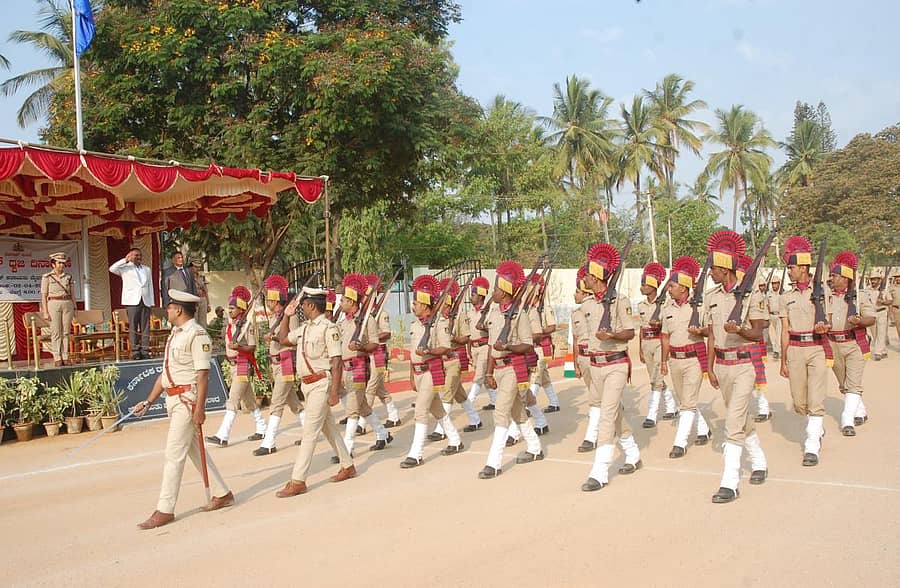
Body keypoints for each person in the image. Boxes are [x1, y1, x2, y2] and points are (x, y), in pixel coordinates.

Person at [132, 289, 233, 529]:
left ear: (178, 310)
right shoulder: (175, 334)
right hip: (174, 399)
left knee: (173, 454)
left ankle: (165, 509)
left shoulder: (197, 335)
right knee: (194, 451)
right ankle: (222, 492)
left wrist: (200, 410)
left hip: (187, 401)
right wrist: (148, 401)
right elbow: (165, 373)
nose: (166, 310)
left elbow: (203, 376)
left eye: (169, 307)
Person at [702, 230, 768, 503]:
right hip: (722, 365)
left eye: (714, 269)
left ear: (725, 269)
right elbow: (712, 334)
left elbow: (758, 333)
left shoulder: (751, 295)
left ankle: (729, 482)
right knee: (739, 417)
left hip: (743, 365)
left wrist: (739, 330)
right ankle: (759, 460)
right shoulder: (711, 296)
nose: (710, 273)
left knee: (732, 422)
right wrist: (709, 367)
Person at [275, 287, 356, 497]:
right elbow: (283, 340)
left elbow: (336, 362)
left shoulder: (329, 328)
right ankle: (347, 465)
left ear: (311, 305)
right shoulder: (304, 328)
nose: (301, 307)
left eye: (303, 304)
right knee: (329, 428)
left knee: (309, 432)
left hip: (321, 383)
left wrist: (335, 392)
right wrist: (286, 316)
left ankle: (298, 480)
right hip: (307, 385)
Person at [580, 243, 640, 492]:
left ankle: (599, 471)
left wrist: (612, 335)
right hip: (595, 365)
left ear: (596, 278)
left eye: (587, 275)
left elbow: (630, 332)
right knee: (613, 413)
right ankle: (632, 453)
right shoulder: (586, 305)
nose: (584, 278)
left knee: (606, 415)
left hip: (616, 364)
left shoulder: (619, 301)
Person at [479, 261, 543, 479]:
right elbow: (491, 346)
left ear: (505, 291)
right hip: (498, 368)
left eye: (497, 288)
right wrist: (489, 372)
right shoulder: (494, 313)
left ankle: (493, 462)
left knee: (500, 412)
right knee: (516, 411)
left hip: (513, 368)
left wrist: (507, 347)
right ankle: (535, 447)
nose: (493, 292)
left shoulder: (519, 315)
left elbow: (527, 345)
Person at [400, 274, 465, 468]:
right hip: (418, 373)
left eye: (416, 303)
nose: (413, 306)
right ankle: (455, 440)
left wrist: (429, 351)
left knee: (420, 411)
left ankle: (416, 453)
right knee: (437, 410)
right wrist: (411, 376)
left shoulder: (439, 324)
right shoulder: (415, 325)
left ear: (425, 304)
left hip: (431, 371)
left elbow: (446, 348)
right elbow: (413, 353)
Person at [780, 236, 832, 467]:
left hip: (817, 348)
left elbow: (830, 321)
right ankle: (816, 427)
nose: (789, 272)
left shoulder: (823, 292)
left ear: (803, 268)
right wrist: (783, 360)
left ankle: (811, 445)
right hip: (795, 349)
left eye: (791, 268)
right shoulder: (786, 297)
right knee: (800, 403)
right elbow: (784, 330)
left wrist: (825, 327)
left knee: (815, 399)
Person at [659, 256, 712, 458]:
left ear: (683, 287)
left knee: (687, 402)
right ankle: (703, 429)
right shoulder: (667, 309)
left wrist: (700, 331)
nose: (669, 289)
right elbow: (665, 336)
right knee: (684, 400)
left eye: (672, 286)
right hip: (675, 360)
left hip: (693, 359)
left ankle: (679, 443)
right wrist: (663, 361)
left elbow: (710, 331)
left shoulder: (699, 306)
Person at [335, 273, 392, 458]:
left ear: (351, 301)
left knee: (352, 409)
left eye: (343, 300)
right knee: (363, 406)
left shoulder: (368, 320)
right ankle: (382, 434)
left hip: (359, 366)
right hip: (346, 367)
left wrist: (361, 347)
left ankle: (347, 449)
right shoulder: (345, 321)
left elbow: (374, 344)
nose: (340, 303)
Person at [206, 286, 267, 446]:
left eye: (232, 308)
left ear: (241, 309)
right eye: (229, 308)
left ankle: (222, 435)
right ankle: (262, 427)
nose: (229, 310)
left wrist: (238, 347)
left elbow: (252, 347)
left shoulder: (247, 326)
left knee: (233, 400)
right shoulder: (230, 325)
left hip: (242, 365)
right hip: (233, 365)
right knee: (249, 400)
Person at [254, 275, 305, 456]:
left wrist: (274, 338)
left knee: (276, 403)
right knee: (294, 403)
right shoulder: (274, 317)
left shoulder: (290, 316)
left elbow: (293, 339)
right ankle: (309, 432)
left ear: (275, 300)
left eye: (269, 299)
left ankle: (269, 442)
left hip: (285, 361)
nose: (267, 302)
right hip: (276, 362)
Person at [826, 252, 875, 437]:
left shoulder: (859, 296)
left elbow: (871, 318)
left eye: (835, 276)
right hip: (833, 345)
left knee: (853, 383)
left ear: (845, 278)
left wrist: (860, 321)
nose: (831, 279)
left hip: (854, 343)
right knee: (844, 385)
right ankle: (860, 411)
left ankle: (847, 420)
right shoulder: (827, 297)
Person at [428, 277, 482, 441]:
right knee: (460, 394)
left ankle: (441, 429)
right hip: (441, 360)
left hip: (454, 359)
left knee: (446, 394)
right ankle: (475, 419)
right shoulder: (437, 318)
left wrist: (453, 338)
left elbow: (466, 338)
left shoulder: (459, 316)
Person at [357, 274, 401, 433]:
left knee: (370, 388)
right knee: (379, 389)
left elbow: (387, 333)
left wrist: (371, 337)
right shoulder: (363, 314)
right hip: (366, 354)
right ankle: (394, 415)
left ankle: (361, 423)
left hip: (378, 354)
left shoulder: (381, 313)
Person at [637, 262, 678, 428]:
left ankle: (651, 415)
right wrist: (640, 348)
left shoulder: (666, 304)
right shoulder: (641, 305)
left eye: (644, 284)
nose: (641, 287)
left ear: (653, 287)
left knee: (657, 378)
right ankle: (671, 406)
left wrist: (659, 324)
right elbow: (641, 328)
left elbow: (669, 325)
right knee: (654, 378)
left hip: (659, 341)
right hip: (646, 343)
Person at [109, 247, 155, 360]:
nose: (139, 257)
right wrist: (125, 260)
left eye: (140, 255)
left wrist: (151, 302)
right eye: (136, 255)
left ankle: (145, 350)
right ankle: (135, 351)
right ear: (130, 256)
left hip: (145, 300)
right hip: (132, 301)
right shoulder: (125, 268)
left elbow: (150, 286)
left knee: (145, 327)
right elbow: (112, 269)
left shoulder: (146, 269)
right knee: (133, 326)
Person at [526, 273, 561, 412]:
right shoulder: (528, 309)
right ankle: (554, 402)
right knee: (544, 377)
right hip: (532, 346)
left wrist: (540, 331)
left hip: (542, 347)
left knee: (535, 377)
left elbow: (552, 326)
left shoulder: (544, 308)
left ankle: (528, 405)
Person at [465, 276, 497, 410]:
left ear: (481, 296)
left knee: (478, 376)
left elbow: (494, 330)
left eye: (473, 294)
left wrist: (483, 327)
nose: (471, 297)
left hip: (485, 346)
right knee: (483, 377)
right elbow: (469, 334)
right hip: (474, 348)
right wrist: (468, 351)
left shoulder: (489, 311)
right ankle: (495, 401)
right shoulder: (470, 312)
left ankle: (469, 403)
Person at [40, 252, 76, 366]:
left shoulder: (68, 277)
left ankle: (65, 356)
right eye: (59, 263)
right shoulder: (47, 277)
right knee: (56, 332)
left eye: (63, 263)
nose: (61, 265)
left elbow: (72, 294)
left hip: (67, 303)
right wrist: (45, 311)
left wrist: (75, 307)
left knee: (66, 331)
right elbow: (44, 296)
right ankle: (57, 356)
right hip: (53, 303)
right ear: (53, 264)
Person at [869, 270, 891, 360]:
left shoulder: (884, 290)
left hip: (882, 312)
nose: (873, 281)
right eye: (872, 279)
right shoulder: (868, 290)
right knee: (874, 333)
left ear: (879, 280)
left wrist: (883, 302)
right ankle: (883, 350)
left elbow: (890, 301)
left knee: (881, 332)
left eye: (875, 279)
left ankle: (878, 352)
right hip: (872, 313)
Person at [191, 261, 210, 327]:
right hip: (193, 299)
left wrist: (208, 304)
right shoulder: (188, 277)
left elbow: (206, 291)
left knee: (203, 322)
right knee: (194, 321)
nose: (198, 269)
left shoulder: (202, 277)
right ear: (191, 267)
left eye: (199, 267)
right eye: (196, 267)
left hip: (203, 299)